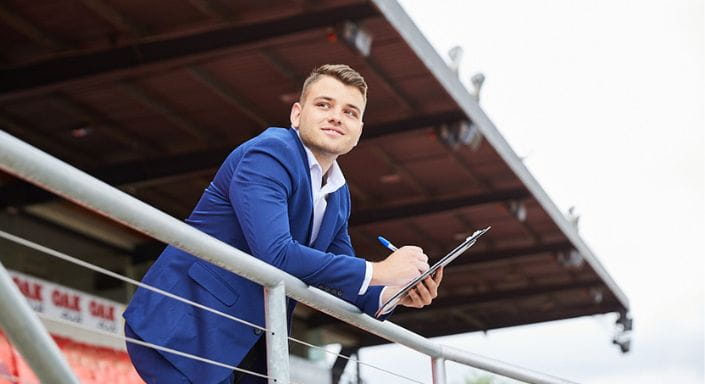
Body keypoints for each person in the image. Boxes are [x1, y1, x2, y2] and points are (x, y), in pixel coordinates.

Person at [123, 64, 444, 384]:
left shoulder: (338, 193)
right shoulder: (269, 154)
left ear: (359, 130)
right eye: (323, 105)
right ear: (296, 114)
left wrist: (392, 292)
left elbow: (339, 276)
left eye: (350, 112)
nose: (336, 116)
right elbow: (275, 253)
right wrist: (379, 270)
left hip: (247, 347)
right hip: (185, 329)